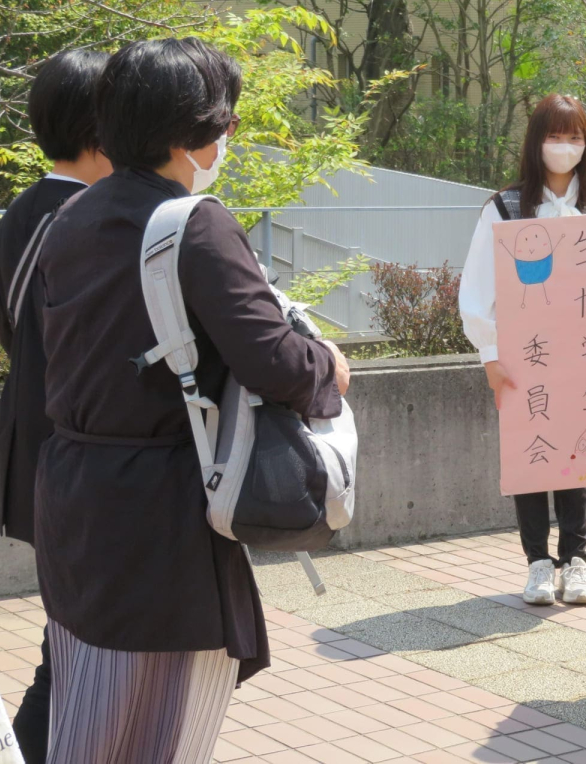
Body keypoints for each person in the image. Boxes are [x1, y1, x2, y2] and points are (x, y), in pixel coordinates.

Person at [34, 37, 350, 763]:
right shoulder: (191, 223)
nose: (228, 138)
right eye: (226, 122)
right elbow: (274, 360)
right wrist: (328, 366)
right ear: (192, 132)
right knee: (162, 734)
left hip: (76, 499)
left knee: (86, 718)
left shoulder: (72, 216)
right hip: (161, 521)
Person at [459, 94, 586, 606]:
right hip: (526, 353)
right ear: (535, 142)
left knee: (580, 444)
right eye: (554, 136)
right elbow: (478, 285)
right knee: (533, 448)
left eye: (574, 137)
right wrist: (490, 354)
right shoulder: (506, 206)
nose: (564, 147)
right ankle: (538, 563)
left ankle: (576, 559)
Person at [0, 48, 112, 763]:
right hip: (72, 455)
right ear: (102, 127)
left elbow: (17, 338)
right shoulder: (83, 218)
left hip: (34, 444)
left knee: (68, 633)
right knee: (68, 644)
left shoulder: (20, 213)